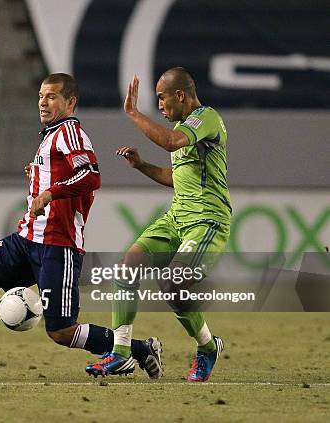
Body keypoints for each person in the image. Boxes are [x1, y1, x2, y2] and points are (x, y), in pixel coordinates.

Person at [0, 73, 162, 380]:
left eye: (51, 96)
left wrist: (49, 192)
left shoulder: (70, 132)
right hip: (27, 238)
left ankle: (137, 349)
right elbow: (63, 173)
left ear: (70, 102)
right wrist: (38, 175)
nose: (43, 102)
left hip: (57, 244)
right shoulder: (51, 134)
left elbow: (91, 176)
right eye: (40, 96)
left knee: (61, 331)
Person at [86, 67, 230, 382]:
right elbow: (175, 177)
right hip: (178, 217)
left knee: (174, 284)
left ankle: (207, 348)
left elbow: (170, 142)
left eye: (162, 98)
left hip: (207, 221)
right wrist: (141, 166)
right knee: (128, 266)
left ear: (180, 95)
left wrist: (134, 113)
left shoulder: (205, 119)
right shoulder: (184, 127)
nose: (160, 106)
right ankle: (121, 352)